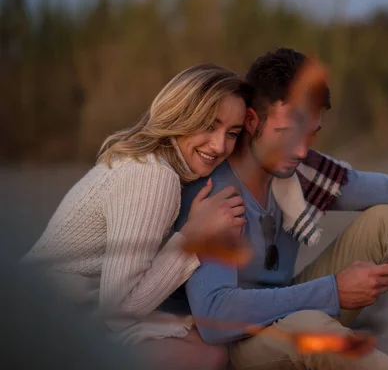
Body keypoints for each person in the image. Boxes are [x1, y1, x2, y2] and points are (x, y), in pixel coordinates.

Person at [175, 48, 388, 370]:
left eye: (310, 134)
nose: (301, 151)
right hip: (238, 342)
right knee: (311, 329)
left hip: (295, 301)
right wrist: (333, 291)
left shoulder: (304, 173)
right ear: (251, 120)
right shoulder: (213, 193)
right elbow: (214, 316)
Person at [22, 64, 252, 370]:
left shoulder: (152, 163)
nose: (220, 145)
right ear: (181, 114)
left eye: (232, 133)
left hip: (64, 311)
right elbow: (119, 310)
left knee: (203, 341)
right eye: (210, 125)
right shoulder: (153, 176)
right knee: (205, 353)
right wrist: (195, 237)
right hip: (39, 321)